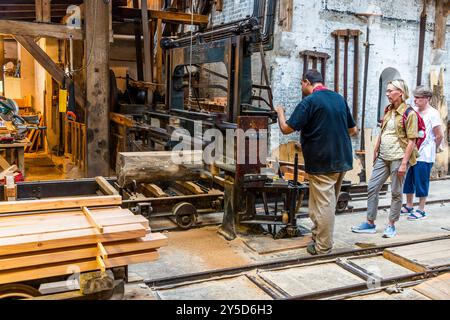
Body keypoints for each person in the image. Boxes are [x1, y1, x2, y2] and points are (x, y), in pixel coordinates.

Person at [275, 69, 357, 255]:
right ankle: (318, 237)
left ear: (306, 82)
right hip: (342, 158)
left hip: (322, 161)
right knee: (325, 203)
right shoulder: (339, 98)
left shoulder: (310, 101)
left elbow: (287, 129)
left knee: (323, 205)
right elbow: (353, 129)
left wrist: (280, 112)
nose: (301, 87)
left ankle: (323, 247)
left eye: (301, 84)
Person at [352, 79, 418, 238]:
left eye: (390, 91)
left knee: (395, 192)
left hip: (398, 158)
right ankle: (370, 223)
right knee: (372, 187)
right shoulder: (388, 110)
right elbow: (383, 132)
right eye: (386, 91)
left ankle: (391, 225)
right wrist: (375, 149)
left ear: (401, 93)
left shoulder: (410, 114)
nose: (387, 94)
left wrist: (404, 163)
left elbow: (412, 140)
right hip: (383, 157)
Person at [401, 86, 443, 220]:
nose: (416, 100)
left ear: (427, 99)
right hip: (413, 151)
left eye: (419, 98)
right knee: (409, 180)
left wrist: (432, 149)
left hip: (425, 153)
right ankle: (409, 205)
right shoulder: (413, 111)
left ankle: (421, 209)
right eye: (415, 97)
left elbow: (439, 135)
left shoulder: (433, 113)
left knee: (421, 181)